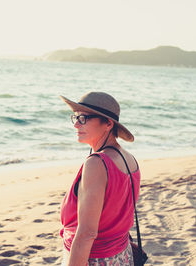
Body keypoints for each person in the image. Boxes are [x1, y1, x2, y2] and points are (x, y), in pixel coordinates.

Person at [59, 92, 141, 266]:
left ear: (108, 124)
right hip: (121, 255)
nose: (76, 124)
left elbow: (87, 233)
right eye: (75, 117)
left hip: (93, 258)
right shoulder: (129, 159)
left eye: (83, 118)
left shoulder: (97, 164)